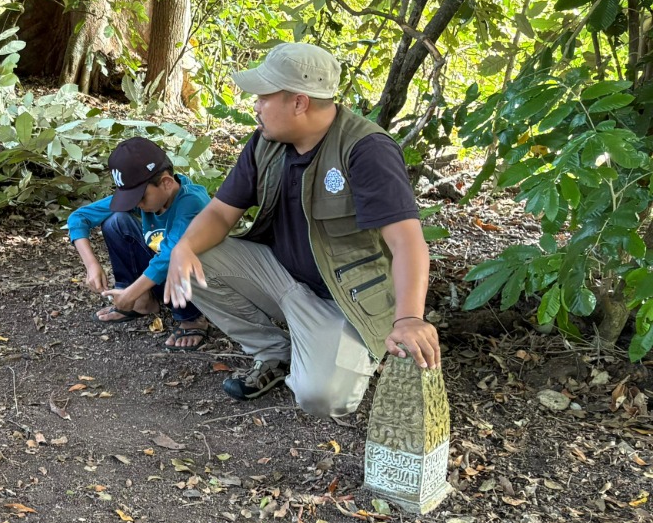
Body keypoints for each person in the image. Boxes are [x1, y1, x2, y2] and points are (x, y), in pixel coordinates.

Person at [164, 42, 440, 417]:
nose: (256, 105)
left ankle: (340, 351)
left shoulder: (366, 149)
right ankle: (274, 352)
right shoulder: (265, 142)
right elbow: (220, 213)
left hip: (344, 301)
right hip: (282, 278)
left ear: (299, 102)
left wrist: (409, 318)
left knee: (322, 399)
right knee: (191, 257)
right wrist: (183, 249)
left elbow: (407, 241)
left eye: (264, 96)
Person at [65, 136, 212, 348]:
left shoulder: (191, 202)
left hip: (201, 283)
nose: (137, 205)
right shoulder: (150, 200)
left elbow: (170, 256)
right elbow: (79, 218)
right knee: (116, 221)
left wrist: (129, 294)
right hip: (162, 278)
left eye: (140, 198)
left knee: (175, 255)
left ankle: (191, 318)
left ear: (167, 183)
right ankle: (142, 302)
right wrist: (91, 265)